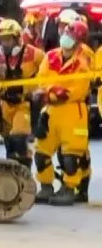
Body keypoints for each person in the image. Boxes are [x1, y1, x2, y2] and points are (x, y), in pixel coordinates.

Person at [34, 19, 93, 205]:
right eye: (66, 33)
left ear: (78, 41)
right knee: (41, 153)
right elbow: (41, 80)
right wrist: (53, 92)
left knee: (71, 157)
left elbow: (79, 88)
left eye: (70, 35)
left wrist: (60, 93)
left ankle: (70, 188)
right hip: (51, 110)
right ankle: (46, 187)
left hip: (73, 111)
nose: (65, 37)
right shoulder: (50, 56)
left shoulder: (84, 61)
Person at [0, 18, 43, 169]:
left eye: (7, 39)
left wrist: (39, 90)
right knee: (9, 144)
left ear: (17, 38)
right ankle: (12, 178)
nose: (4, 43)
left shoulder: (34, 54)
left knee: (19, 138)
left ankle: (25, 173)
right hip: (6, 105)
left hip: (24, 104)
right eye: (2, 39)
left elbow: (49, 71)